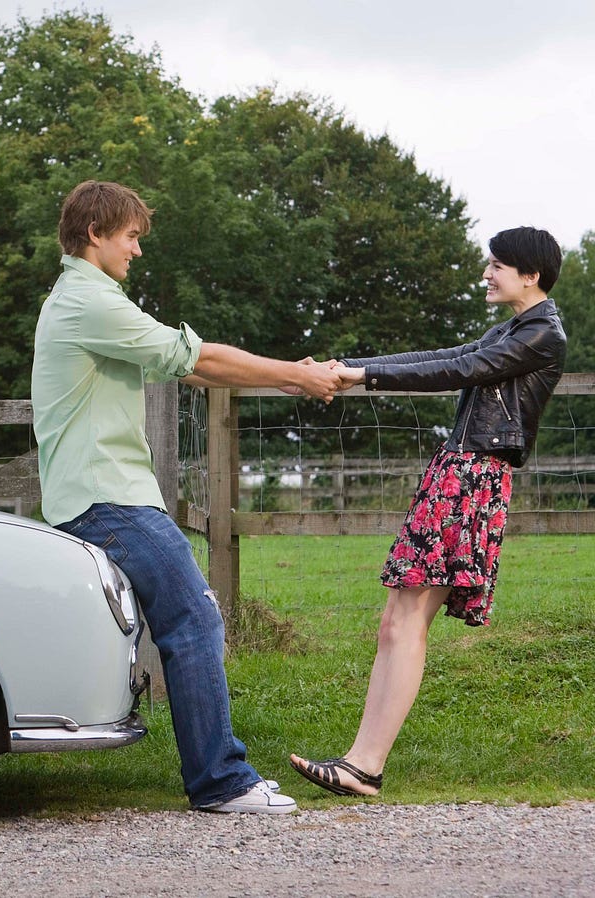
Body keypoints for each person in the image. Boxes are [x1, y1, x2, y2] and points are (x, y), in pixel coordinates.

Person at [31, 180, 344, 814]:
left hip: (100, 493)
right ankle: (221, 782)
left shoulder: (84, 299)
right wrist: (297, 374)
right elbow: (197, 353)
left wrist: (286, 380)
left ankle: (216, 777)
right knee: (193, 618)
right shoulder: (90, 304)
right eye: (130, 238)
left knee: (179, 620)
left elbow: (184, 364)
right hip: (107, 498)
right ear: (95, 235)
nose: (137, 251)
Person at [290, 226, 567, 797]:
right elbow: (444, 356)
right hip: (456, 470)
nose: (487, 274)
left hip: (473, 477)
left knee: (409, 618)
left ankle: (365, 764)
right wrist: (351, 367)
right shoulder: (515, 328)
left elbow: (457, 372)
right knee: (396, 618)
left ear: (530, 274)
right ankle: (359, 762)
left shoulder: (542, 334)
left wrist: (361, 375)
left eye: (497, 265)